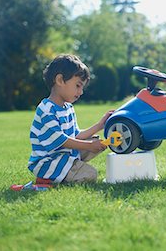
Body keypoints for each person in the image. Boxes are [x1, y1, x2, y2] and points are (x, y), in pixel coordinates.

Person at [28, 54, 113, 184]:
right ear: (60, 80)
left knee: (96, 140)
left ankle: (71, 169)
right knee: (90, 175)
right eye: (78, 86)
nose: (81, 92)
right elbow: (61, 141)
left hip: (63, 156)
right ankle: (48, 178)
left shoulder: (68, 108)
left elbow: (76, 136)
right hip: (48, 163)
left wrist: (100, 125)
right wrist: (90, 146)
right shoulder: (46, 109)